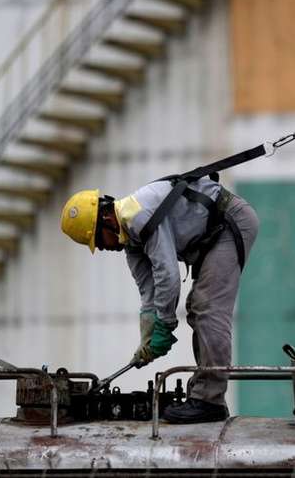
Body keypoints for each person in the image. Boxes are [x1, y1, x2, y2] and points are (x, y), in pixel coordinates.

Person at [60, 177, 258, 423]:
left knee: (207, 307)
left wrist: (164, 325)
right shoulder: (130, 239)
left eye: (98, 241)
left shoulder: (139, 217)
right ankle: (206, 394)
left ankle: (209, 401)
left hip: (230, 221)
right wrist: (147, 340)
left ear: (107, 220)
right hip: (214, 232)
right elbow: (149, 292)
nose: (100, 248)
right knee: (197, 309)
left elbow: (168, 275)